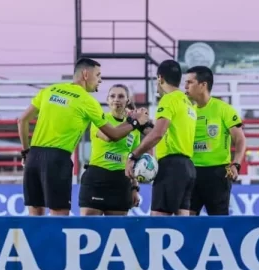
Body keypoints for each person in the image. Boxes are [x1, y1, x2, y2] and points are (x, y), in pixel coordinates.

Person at [17, 58, 148, 216]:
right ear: (86, 74)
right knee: (59, 216)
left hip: (33, 156)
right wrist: (136, 122)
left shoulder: (50, 90)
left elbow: (22, 120)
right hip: (57, 159)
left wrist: (26, 152)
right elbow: (113, 135)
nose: (100, 80)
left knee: (34, 217)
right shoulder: (88, 101)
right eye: (98, 75)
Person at [125, 60, 196, 216]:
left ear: (160, 78)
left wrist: (133, 156)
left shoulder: (168, 99)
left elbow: (158, 134)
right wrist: (142, 124)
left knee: (158, 222)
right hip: (188, 168)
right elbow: (164, 132)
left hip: (171, 167)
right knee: (183, 221)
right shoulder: (188, 103)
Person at [184, 66, 247, 215]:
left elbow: (240, 139)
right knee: (188, 220)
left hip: (217, 174)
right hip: (191, 172)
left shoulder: (223, 109)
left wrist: (236, 164)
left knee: (218, 221)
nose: (185, 87)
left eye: (190, 82)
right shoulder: (186, 111)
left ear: (203, 85)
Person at [79, 85, 144, 216]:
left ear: (127, 101)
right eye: (112, 96)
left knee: (117, 227)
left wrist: (134, 188)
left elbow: (133, 161)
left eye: (121, 96)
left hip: (121, 181)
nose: (116, 99)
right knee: (88, 225)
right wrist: (134, 122)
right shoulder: (100, 119)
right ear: (107, 100)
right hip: (97, 178)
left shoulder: (134, 129)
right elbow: (110, 136)